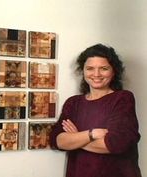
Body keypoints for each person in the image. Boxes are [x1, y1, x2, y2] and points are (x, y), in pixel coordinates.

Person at [49, 44, 142, 177]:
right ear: (83, 71)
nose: (96, 74)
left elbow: (116, 145)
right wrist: (91, 134)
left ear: (114, 71)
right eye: (90, 68)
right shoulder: (73, 103)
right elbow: (58, 141)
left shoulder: (123, 98)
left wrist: (76, 138)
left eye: (104, 68)